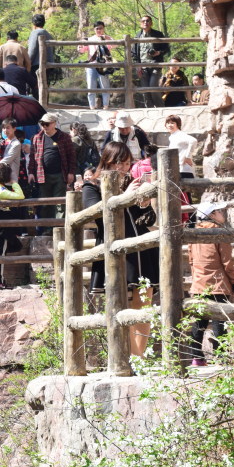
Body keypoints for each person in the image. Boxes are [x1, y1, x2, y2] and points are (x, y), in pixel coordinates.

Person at [81, 141, 159, 357]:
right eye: (118, 163)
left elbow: (145, 220)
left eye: (126, 164)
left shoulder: (129, 185)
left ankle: (138, 357)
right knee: (118, 302)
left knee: (145, 302)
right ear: (106, 161)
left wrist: (143, 202)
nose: (122, 168)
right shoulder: (91, 186)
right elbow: (96, 213)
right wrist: (127, 198)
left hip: (141, 248)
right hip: (114, 249)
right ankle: (128, 356)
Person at [187, 202, 234, 367]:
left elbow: (191, 260)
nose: (222, 213)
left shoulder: (193, 234)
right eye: (219, 211)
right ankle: (221, 358)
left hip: (198, 284)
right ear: (212, 215)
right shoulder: (219, 233)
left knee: (199, 322)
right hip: (218, 283)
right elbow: (226, 262)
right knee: (219, 321)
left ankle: (197, 358)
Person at [28, 112, 76, 227]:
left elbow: (72, 156)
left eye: (47, 124)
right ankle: (46, 229)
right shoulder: (37, 138)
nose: (44, 126)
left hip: (60, 174)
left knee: (60, 203)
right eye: (42, 124)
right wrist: (31, 172)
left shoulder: (64, 137)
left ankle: (58, 228)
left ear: (54, 123)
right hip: (43, 175)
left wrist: (71, 172)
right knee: (45, 203)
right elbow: (32, 157)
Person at [131, 14, 169, 107]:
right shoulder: (137, 36)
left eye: (147, 21)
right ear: (140, 24)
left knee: (153, 87)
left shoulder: (158, 34)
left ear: (151, 23)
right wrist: (137, 65)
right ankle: (149, 109)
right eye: (143, 21)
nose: (145, 23)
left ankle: (160, 108)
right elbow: (134, 53)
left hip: (155, 64)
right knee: (145, 90)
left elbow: (166, 48)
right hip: (143, 66)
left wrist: (158, 52)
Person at [78, 20, 114, 110]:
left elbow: (114, 44)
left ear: (103, 29)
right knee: (91, 87)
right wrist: (81, 44)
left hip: (103, 65)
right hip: (91, 65)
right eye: (97, 28)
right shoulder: (90, 39)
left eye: (100, 28)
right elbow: (81, 50)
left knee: (104, 86)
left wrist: (106, 38)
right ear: (94, 29)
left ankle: (106, 106)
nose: (99, 30)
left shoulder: (106, 38)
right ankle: (92, 107)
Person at [26, 14, 53, 97]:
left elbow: (32, 49)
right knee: (44, 85)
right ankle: (44, 104)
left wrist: (28, 63)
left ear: (34, 23)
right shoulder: (48, 34)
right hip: (49, 63)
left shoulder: (35, 33)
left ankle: (37, 105)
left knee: (36, 86)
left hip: (37, 64)